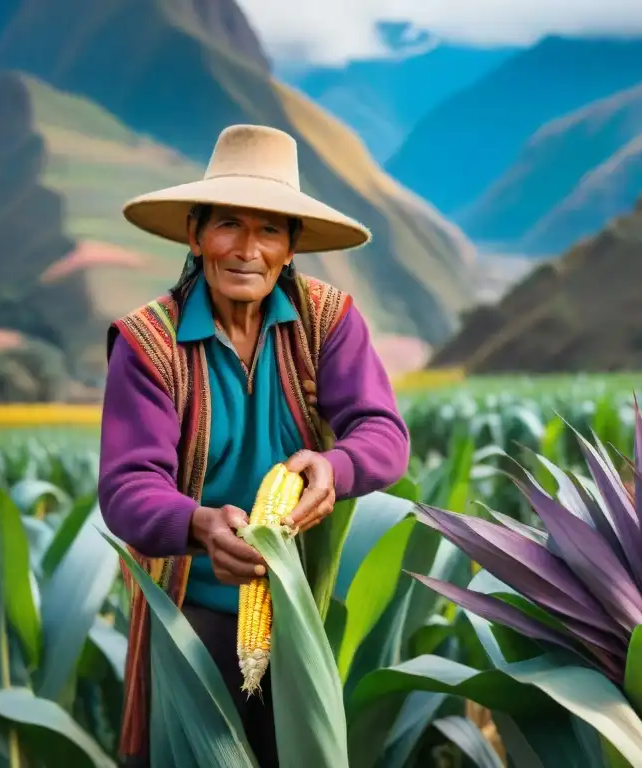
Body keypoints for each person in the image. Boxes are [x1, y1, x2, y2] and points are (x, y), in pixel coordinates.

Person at [97, 123, 411, 768]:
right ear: (195, 234)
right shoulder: (147, 345)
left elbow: (384, 435)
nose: (247, 250)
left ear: (292, 246)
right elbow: (128, 488)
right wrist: (200, 525)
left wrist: (334, 466)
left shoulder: (329, 321)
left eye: (270, 230)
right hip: (194, 613)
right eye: (228, 226)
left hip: (297, 610)